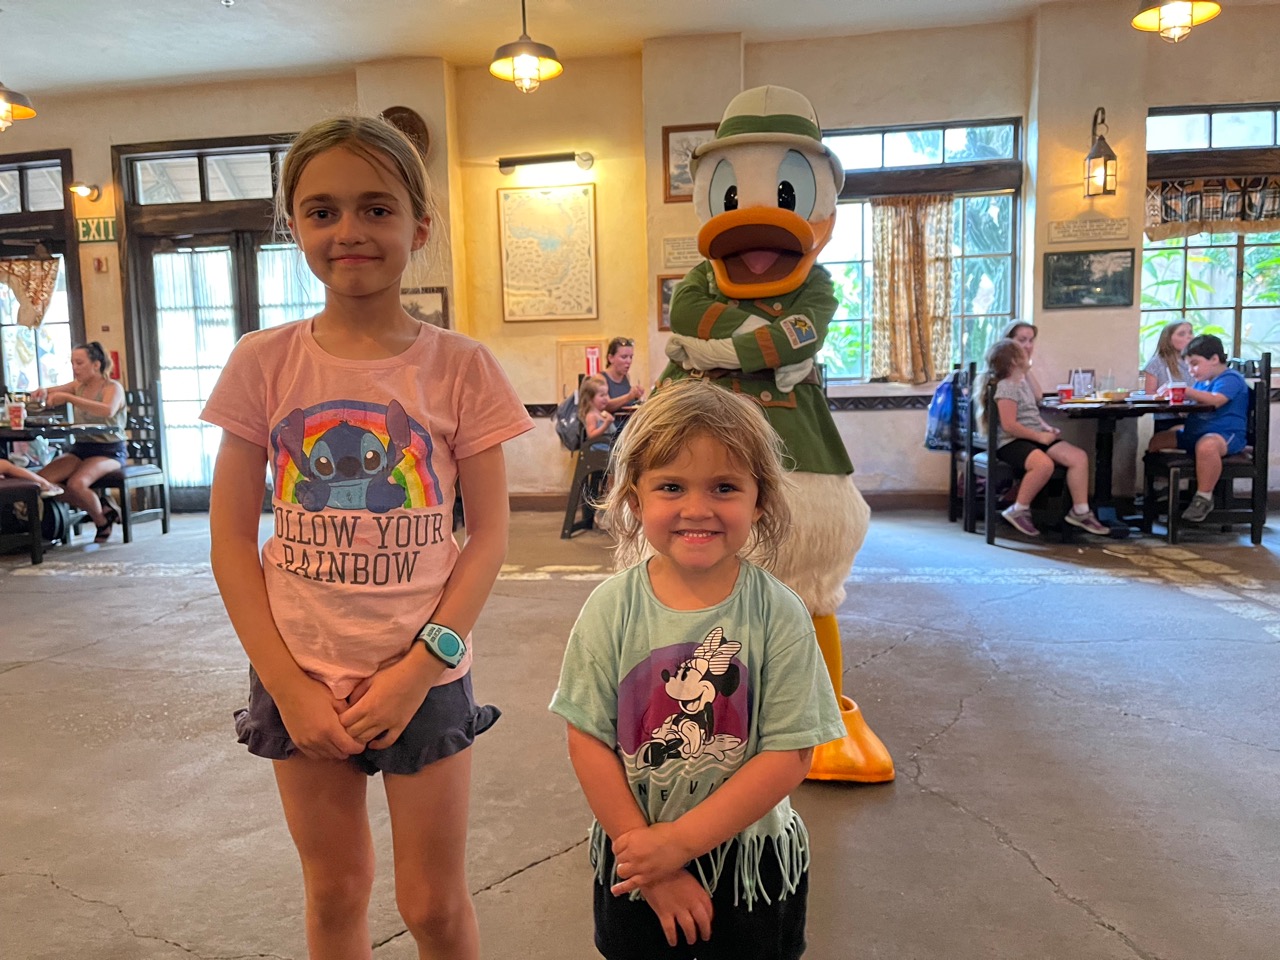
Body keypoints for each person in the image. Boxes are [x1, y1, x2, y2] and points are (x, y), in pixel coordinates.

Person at [201, 115, 533, 960]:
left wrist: (418, 670)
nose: (349, 230)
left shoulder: (461, 367)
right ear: (295, 228)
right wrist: (289, 687)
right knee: (335, 891)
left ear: (418, 227)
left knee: (433, 905)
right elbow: (232, 542)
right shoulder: (262, 363)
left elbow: (489, 537)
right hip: (299, 669)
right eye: (323, 211)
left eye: (376, 209)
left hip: (426, 671)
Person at [550, 380, 843, 960]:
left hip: (749, 869)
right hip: (634, 858)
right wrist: (650, 858)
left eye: (724, 487)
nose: (697, 508)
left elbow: (790, 753)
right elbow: (587, 739)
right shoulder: (609, 609)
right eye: (671, 486)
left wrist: (678, 844)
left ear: (760, 500)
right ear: (635, 500)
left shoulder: (780, 613)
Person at [979, 338, 1110, 537]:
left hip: (1033, 436)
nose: (1028, 350)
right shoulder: (1006, 387)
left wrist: (1046, 428)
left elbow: (1030, 414)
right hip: (1011, 441)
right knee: (1043, 465)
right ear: (1014, 361)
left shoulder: (1021, 382)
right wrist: (1039, 437)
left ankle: (1080, 511)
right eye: (1022, 350)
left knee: (1078, 457)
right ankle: (1018, 509)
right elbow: (1009, 425)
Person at [1147, 334, 1248, 524]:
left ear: (1214, 359)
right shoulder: (1202, 382)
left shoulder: (1230, 378)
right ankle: (1160, 491)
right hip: (1196, 432)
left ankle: (1204, 497)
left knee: (1206, 446)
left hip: (1225, 435)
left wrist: (1185, 390)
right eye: (1188, 366)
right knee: (1158, 440)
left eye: (1194, 364)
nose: (1191, 371)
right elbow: (1196, 403)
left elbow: (1216, 400)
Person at [33, 341, 126, 543]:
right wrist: (42, 392)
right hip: (81, 448)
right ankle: (100, 506)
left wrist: (69, 398)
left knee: (77, 484)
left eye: (80, 363)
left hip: (109, 450)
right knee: (41, 482)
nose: (75, 368)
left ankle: (101, 521)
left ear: (96, 364)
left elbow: (107, 410)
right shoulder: (78, 386)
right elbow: (51, 391)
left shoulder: (113, 387)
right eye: (72, 363)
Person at [1142, 319, 1194, 394]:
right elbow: (1150, 395)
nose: (1189, 337)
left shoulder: (1197, 361)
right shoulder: (1156, 363)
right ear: (1169, 339)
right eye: (1182, 334)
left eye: (1190, 333)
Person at [1002, 321, 1045, 398]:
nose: (1028, 346)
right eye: (1021, 340)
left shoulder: (1023, 370)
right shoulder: (1002, 372)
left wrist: (1025, 367)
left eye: (1031, 341)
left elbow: (1038, 396)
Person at [602, 337, 645, 412]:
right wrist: (629, 397)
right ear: (610, 358)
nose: (629, 361)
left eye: (631, 357)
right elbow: (604, 405)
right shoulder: (600, 379)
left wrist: (637, 396)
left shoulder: (626, 377)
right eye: (624, 357)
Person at [578, 374, 617, 450]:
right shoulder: (591, 416)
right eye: (602, 395)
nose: (606, 398)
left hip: (608, 446)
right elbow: (591, 435)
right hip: (598, 449)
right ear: (590, 398)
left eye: (606, 394)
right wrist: (606, 424)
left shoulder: (603, 413)